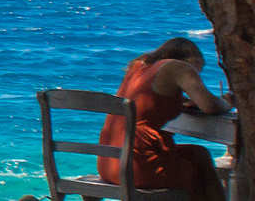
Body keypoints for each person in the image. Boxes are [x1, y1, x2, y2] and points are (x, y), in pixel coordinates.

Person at [99, 37, 232, 201]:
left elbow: (151, 100)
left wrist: (181, 102)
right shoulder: (179, 67)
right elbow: (210, 106)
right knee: (198, 170)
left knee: (199, 154)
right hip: (138, 167)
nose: (199, 74)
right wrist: (228, 101)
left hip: (109, 164)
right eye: (200, 68)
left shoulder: (139, 66)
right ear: (193, 59)